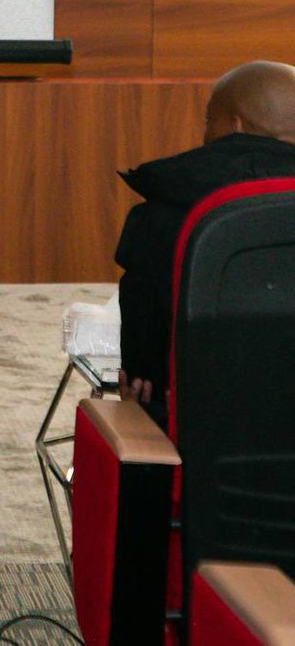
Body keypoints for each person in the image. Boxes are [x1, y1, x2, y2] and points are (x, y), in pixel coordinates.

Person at [117, 60, 295, 425]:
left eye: (209, 119)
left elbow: (144, 325)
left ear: (235, 125)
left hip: (203, 429)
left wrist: (141, 375)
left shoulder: (165, 212)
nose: (205, 129)